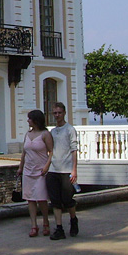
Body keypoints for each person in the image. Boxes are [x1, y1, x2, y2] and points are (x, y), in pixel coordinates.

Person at [46, 102, 79, 240]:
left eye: (59, 112)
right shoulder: (52, 132)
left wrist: (74, 170)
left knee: (67, 199)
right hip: (53, 169)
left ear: (64, 113)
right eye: (55, 113)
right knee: (55, 201)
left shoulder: (70, 130)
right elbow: (50, 150)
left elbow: (74, 150)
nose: (57, 115)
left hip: (66, 170)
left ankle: (73, 219)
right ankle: (59, 228)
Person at [17, 109, 53, 237]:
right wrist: (20, 167)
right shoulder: (27, 134)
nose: (28, 121)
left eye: (29, 118)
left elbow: (51, 152)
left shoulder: (45, 134)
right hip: (28, 170)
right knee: (30, 199)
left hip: (40, 171)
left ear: (36, 120)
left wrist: (46, 166)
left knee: (41, 198)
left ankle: (46, 222)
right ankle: (33, 225)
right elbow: (24, 153)